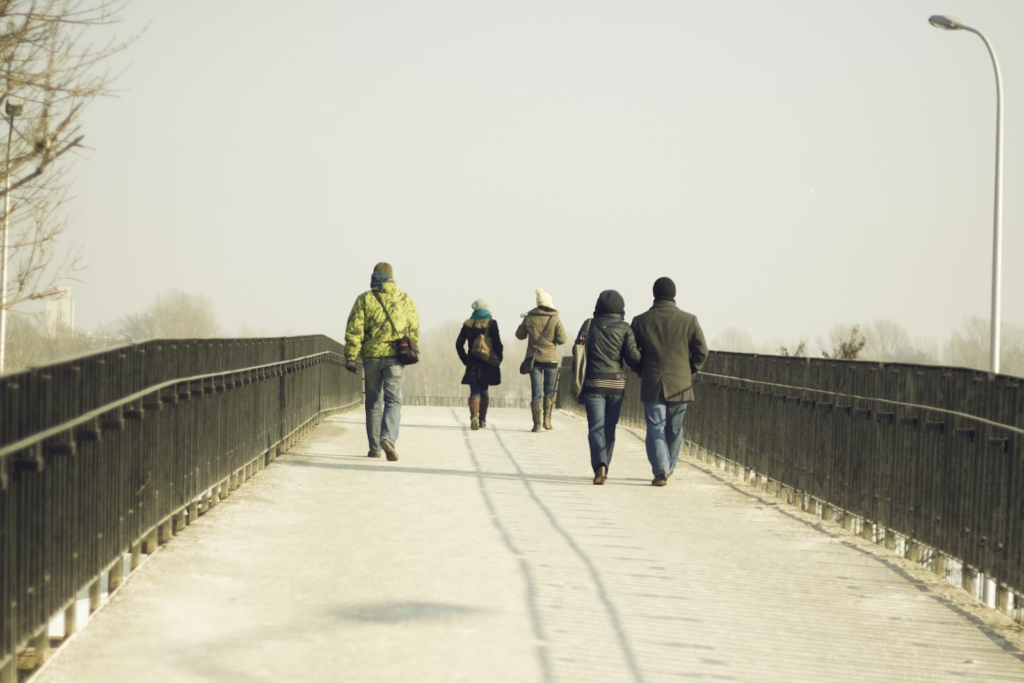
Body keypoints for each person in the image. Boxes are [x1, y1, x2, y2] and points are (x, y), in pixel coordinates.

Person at [630, 277, 707, 486]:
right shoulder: (689, 320)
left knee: (655, 427)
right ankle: (668, 467)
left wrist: (640, 370)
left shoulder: (640, 321)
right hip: (680, 385)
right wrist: (688, 370)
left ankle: (661, 470)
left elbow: (631, 353)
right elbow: (702, 351)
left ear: (654, 294)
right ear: (674, 295)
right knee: (675, 429)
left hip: (652, 382)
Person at [344, 262, 420, 462]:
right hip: (395, 358)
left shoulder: (364, 299)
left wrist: (351, 356)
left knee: (373, 403)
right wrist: (411, 349)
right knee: (393, 401)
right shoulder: (404, 298)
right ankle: (388, 438)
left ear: (375, 276)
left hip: (370, 358)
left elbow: (355, 330)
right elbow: (414, 328)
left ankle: (375, 448)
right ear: (391, 276)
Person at [575, 290, 642, 485]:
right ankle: (605, 465)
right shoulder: (625, 328)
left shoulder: (588, 324)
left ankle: (600, 466)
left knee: (596, 427)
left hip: (593, 383)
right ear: (621, 308)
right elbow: (633, 358)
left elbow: (576, 350)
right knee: (609, 429)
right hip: (616, 385)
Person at [516, 288, 567, 432]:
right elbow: (562, 339)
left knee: (536, 392)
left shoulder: (530, 317)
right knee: (549, 390)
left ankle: (536, 424)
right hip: (551, 360)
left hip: (534, 360)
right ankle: (547, 421)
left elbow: (519, 335)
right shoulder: (554, 318)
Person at [456, 298, 503, 430]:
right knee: (484, 390)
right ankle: (482, 420)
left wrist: (466, 360)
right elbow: (498, 343)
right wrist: (498, 359)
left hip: (472, 362)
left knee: (474, 390)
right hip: (487, 362)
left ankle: (474, 416)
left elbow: (458, 344)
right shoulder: (492, 323)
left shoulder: (467, 324)